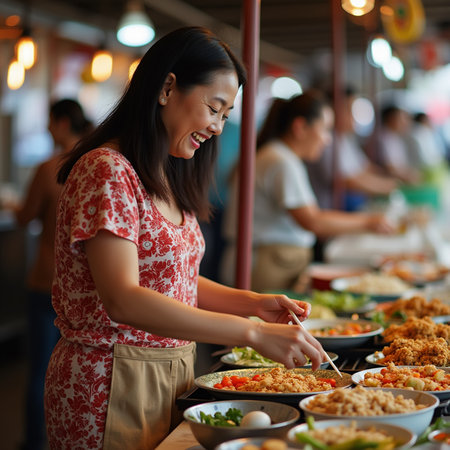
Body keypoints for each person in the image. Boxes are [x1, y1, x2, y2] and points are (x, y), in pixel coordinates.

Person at [44, 27, 325, 450]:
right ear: (167, 87)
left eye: (226, 115)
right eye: (214, 108)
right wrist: (249, 333)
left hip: (170, 372)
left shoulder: (167, 174)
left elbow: (173, 283)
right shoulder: (107, 169)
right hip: (108, 381)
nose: (217, 127)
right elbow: (123, 296)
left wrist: (253, 304)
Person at [221, 91, 394, 292]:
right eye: (325, 130)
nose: (327, 140)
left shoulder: (281, 156)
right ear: (300, 127)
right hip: (265, 263)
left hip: (272, 260)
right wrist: (369, 222)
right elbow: (313, 220)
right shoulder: (281, 161)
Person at [3, 99, 91, 450]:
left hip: (47, 281)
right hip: (84, 287)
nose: (48, 131)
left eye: (51, 123)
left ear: (63, 123)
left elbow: (25, 218)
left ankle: (35, 441)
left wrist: (11, 204)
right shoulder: (100, 163)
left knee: (41, 367)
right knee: (79, 368)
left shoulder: (49, 167)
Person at [307, 88, 398, 211]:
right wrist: (385, 186)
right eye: (349, 110)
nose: (353, 116)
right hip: (330, 210)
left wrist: (389, 183)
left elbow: (363, 168)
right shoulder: (326, 139)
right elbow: (344, 180)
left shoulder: (345, 138)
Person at [376, 105, 421, 184]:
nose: (406, 122)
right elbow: (390, 168)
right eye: (402, 118)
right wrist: (409, 176)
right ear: (391, 118)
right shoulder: (384, 139)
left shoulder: (395, 137)